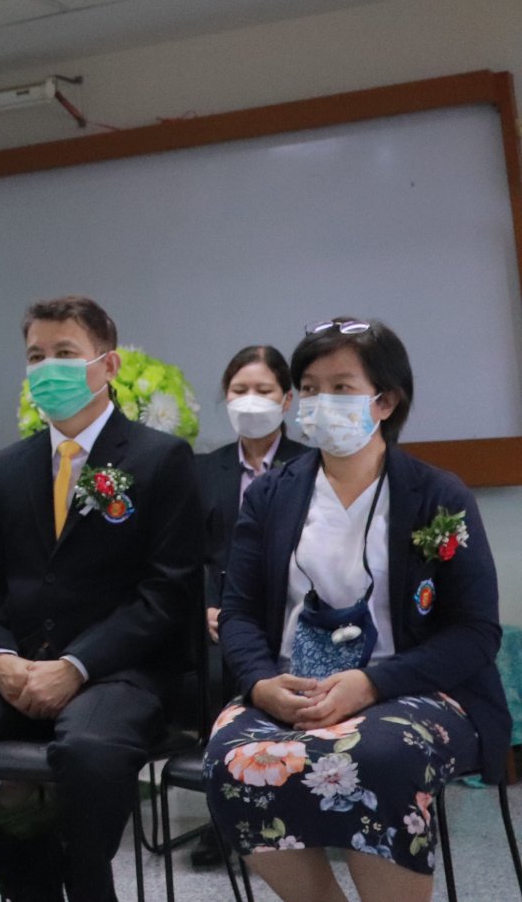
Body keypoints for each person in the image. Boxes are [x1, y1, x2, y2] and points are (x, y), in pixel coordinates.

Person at [0, 295, 203, 902]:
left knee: (88, 751)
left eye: (65, 353)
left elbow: (167, 593)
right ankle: (22, 867)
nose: (47, 367)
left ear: (107, 365)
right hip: (16, 664)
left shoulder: (161, 459)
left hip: (118, 670)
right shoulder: (9, 465)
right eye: (35, 356)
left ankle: (87, 883)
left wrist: (77, 665)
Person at [205, 318, 507, 902]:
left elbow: (475, 632)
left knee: (379, 756)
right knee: (234, 757)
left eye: (341, 388)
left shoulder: (437, 495)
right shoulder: (270, 495)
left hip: (413, 687)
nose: (320, 402)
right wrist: (262, 684)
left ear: (385, 401)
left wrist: (371, 684)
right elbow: (236, 613)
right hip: (291, 687)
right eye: (310, 388)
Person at [199, 345, 313, 645]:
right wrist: (207, 606)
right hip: (223, 620)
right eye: (240, 390)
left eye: (263, 391)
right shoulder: (204, 469)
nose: (250, 401)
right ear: (227, 397)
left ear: (287, 400)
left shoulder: (309, 466)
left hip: (295, 617)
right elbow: (194, 553)